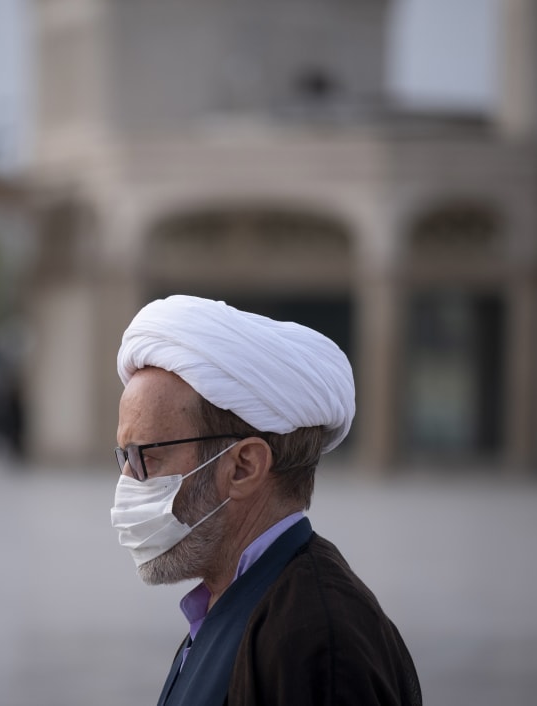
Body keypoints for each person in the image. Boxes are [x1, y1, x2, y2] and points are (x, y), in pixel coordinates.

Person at [111, 295, 422, 706]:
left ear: (243, 466)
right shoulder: (231, 603)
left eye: (146, 455)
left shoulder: (315, 640)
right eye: (124, 456)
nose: (128, 479)